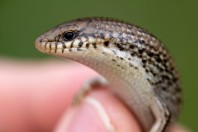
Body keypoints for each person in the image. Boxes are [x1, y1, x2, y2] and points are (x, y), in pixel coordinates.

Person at [0, 59, 189, 132]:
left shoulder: (148, 86)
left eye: (68, 37)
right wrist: (90, 84)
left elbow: (164, 117)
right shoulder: (118, 78)